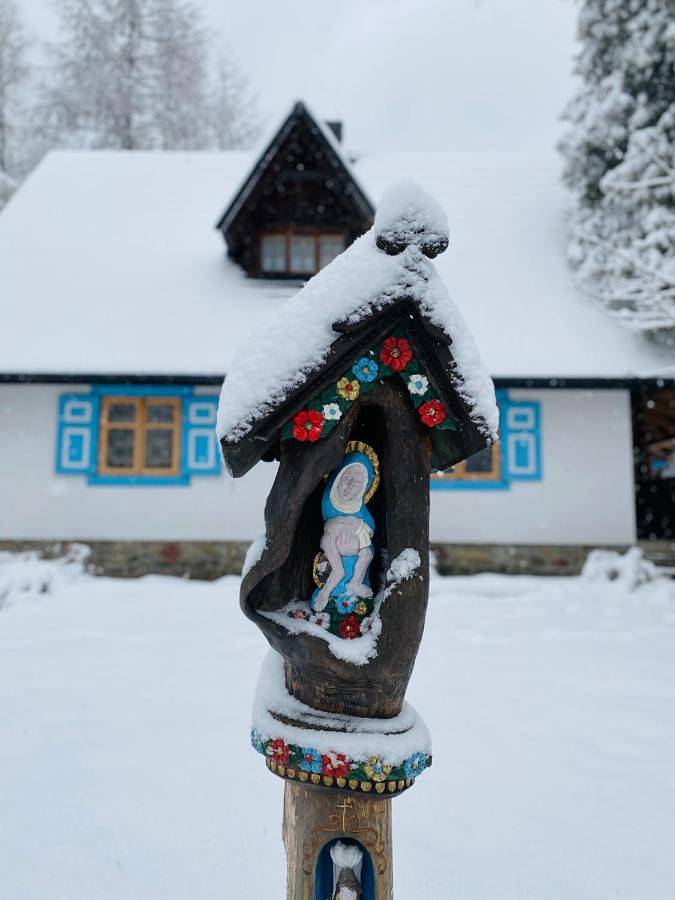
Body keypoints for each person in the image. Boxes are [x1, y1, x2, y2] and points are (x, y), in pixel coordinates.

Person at [311, 443, 379, 615]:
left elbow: (370, 526)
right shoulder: (329, 501)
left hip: (356, 547)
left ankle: (355, 583)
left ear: (364, 488)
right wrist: (347, 522)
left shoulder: (360, 508)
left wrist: (355, 526)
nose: (350, 487)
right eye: (347, 479)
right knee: (337, 569)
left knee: (367, 554)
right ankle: (326, 593)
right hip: (334, 543)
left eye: (357, 484)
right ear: (338, 478)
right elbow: (331, 522)